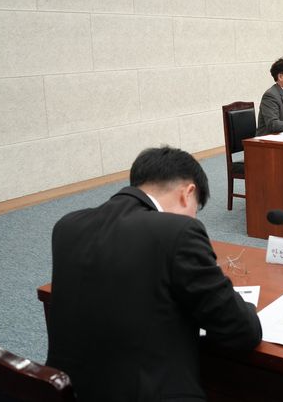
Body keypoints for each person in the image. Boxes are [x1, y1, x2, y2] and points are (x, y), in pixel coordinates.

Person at [46, 146, 263, 401]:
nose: (193, 218)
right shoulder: (178, 232)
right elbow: (241, 331)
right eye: (196, 209)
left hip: (73, 391)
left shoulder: (67, 226)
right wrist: (246, 306)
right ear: (187, 193)